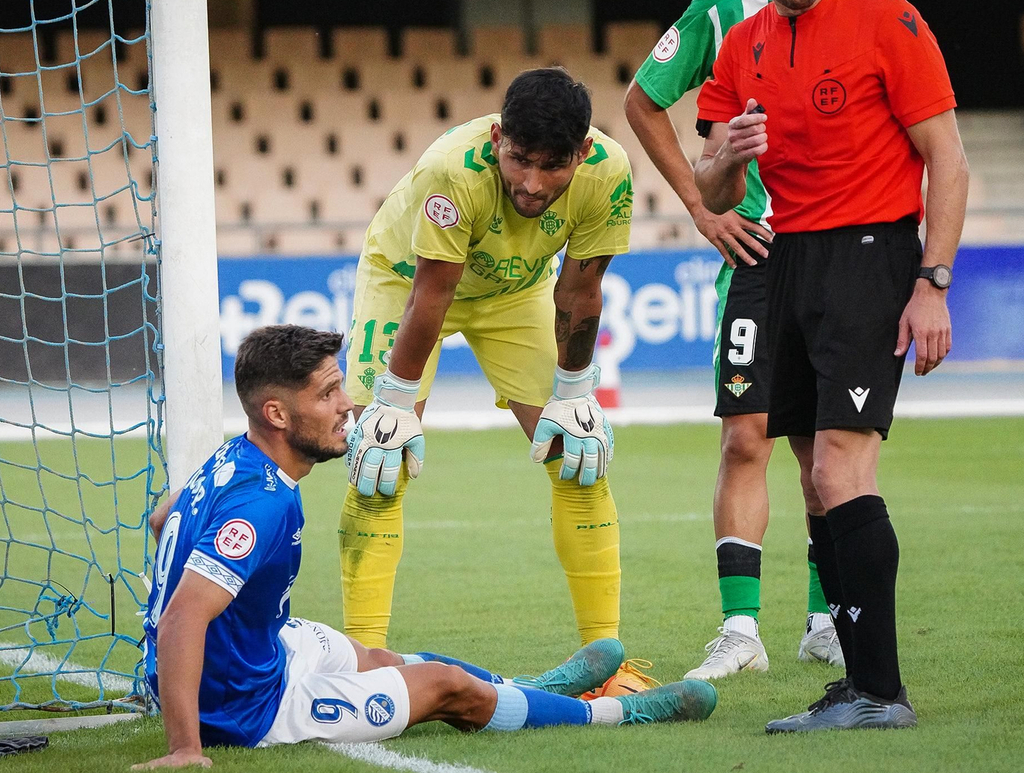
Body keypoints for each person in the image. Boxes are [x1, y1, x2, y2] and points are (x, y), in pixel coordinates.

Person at [134, 325, 715, 768]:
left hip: (261, 652)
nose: (346, 406)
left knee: (379, 659)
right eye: (329, 393)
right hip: (245, 709)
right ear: (277, 413)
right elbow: (185, 614)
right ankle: (612, 713)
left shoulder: (233, 457)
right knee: (445, 687)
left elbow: (166, 521)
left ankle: (531, 690)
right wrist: (186, 746)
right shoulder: (261, 504)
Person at [692, 0, 969, 732]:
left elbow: (947, 160)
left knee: (843, 468)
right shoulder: (742, 47)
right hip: (787, 260)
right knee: (815, 478)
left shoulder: (889, 18)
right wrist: (730, 158)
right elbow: (710, 179)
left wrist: (932, 281)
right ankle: (855, 681)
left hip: (869, 255)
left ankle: (881, 690)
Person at [624, 0, 898, 681]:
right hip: (761, 253)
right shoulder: (724, 10)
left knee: (825, 452)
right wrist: (703, 210)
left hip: (846, 253)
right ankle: (741, 628)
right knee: (746, 432)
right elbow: (645, 101)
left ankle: (826, 617)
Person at [338, 69, 633, 668]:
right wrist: (394, 402)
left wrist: (575, 390)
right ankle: (361, 663)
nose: (531, 183)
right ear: (497, 138)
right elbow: (432, 293)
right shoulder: (451, 171)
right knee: (379, 460)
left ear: (583, 153)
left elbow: (581, 291)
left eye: (553, 166)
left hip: (517, 291)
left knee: (579, 456)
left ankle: (607, 661)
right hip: (406, 282)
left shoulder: (610, 173)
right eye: (519, 160)